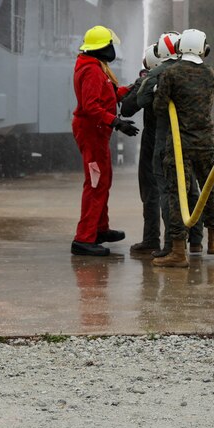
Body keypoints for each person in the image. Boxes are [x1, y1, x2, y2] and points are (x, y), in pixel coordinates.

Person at [152, 28, 214, 267]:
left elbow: (160, 107)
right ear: (204, 49)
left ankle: (178, 251)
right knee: (207, 189)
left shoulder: (171, 74)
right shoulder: (210, 74)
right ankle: (213, 238)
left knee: (177, 193)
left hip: (180, 143)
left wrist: (159, 92)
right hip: (205, 142)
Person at [71, 25, 139, 257]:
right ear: (101, 47)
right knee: (95, 182)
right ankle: (84, 239)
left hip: (98, 133)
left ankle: (99, 229)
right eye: (110, 45)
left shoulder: (97, 66)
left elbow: (108, 94)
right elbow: (91, 106)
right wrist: (116, 122)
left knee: (103, 179)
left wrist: (131, 88)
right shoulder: (91, 70)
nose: (112, 49)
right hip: (92, 133)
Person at [119, 41, 170, 256]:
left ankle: (151, 239)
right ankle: (188, 241)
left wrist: (139, 83)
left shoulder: (151, 79)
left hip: (154, 140)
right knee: (183, 190)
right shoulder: (188, 75)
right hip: (181, 140)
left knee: (151, 190)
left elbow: (129, 107)